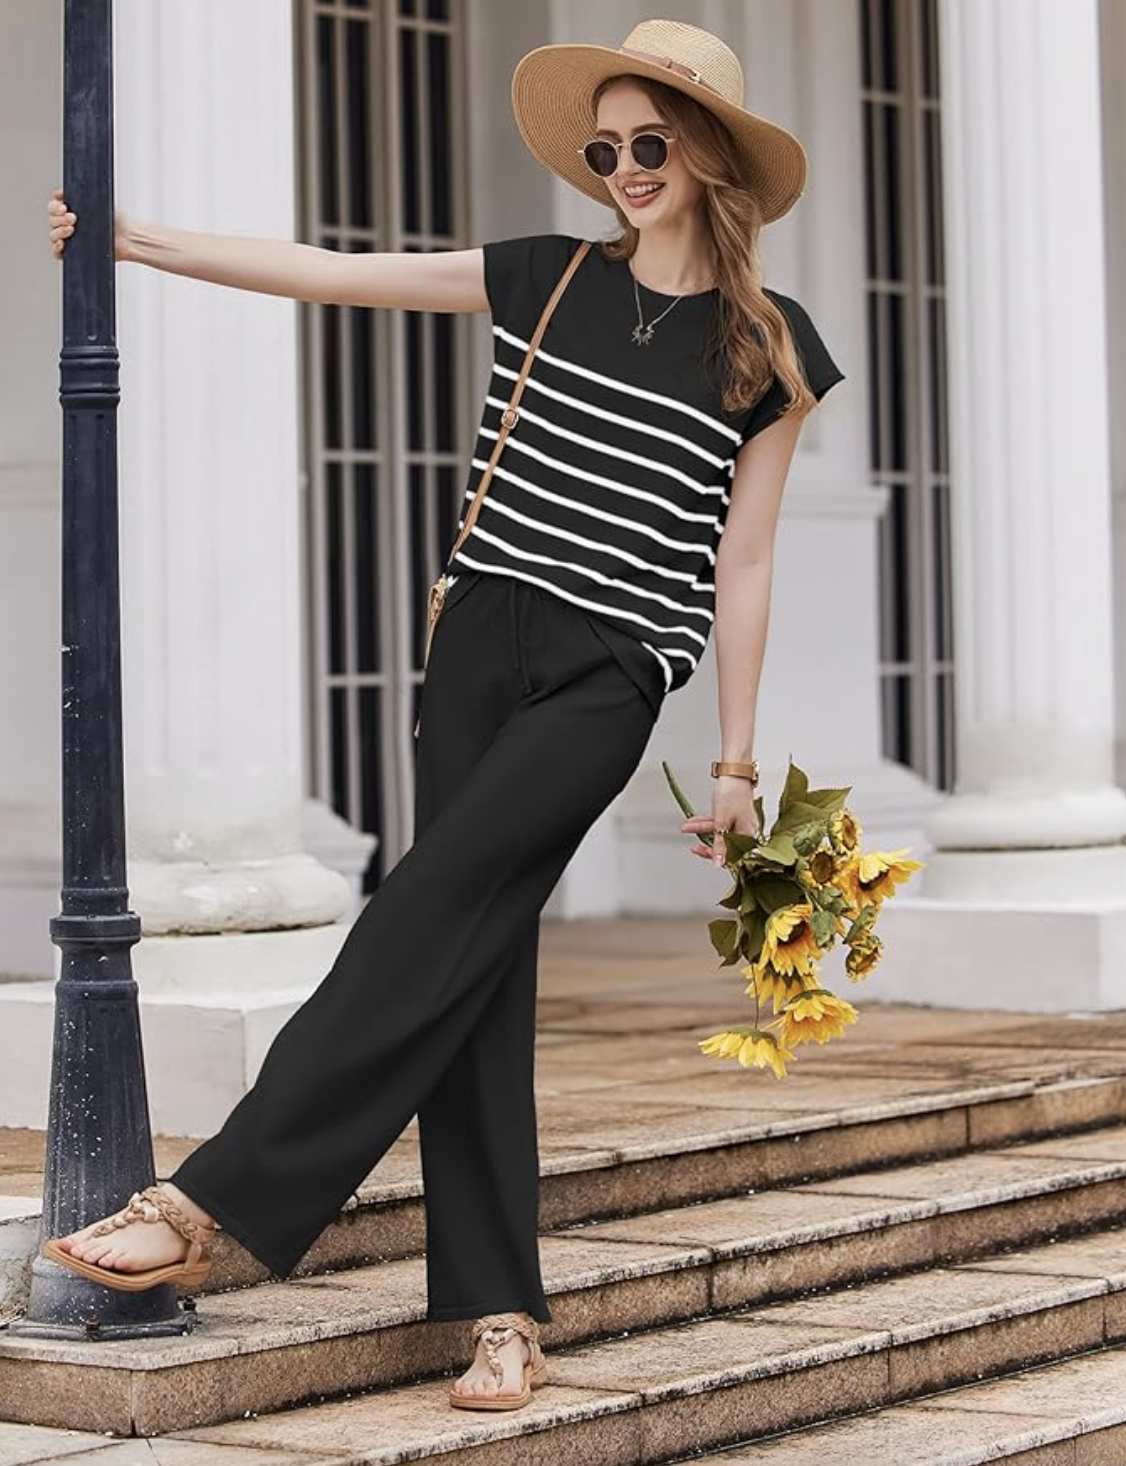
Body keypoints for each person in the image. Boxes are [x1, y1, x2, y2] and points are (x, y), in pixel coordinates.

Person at [41, 17, 844, 1414]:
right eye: (604, 150)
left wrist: (730, 758)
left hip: (611, 669)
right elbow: (336, 274)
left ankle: (203, 1203)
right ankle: (497, 1312)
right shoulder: (542, 278)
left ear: (708, 150)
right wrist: (137, 240)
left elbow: (747, 555)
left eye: (648, 142)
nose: (624, 168)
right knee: (474, 965)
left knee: (431, 903)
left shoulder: (768, 349)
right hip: (474, 636)